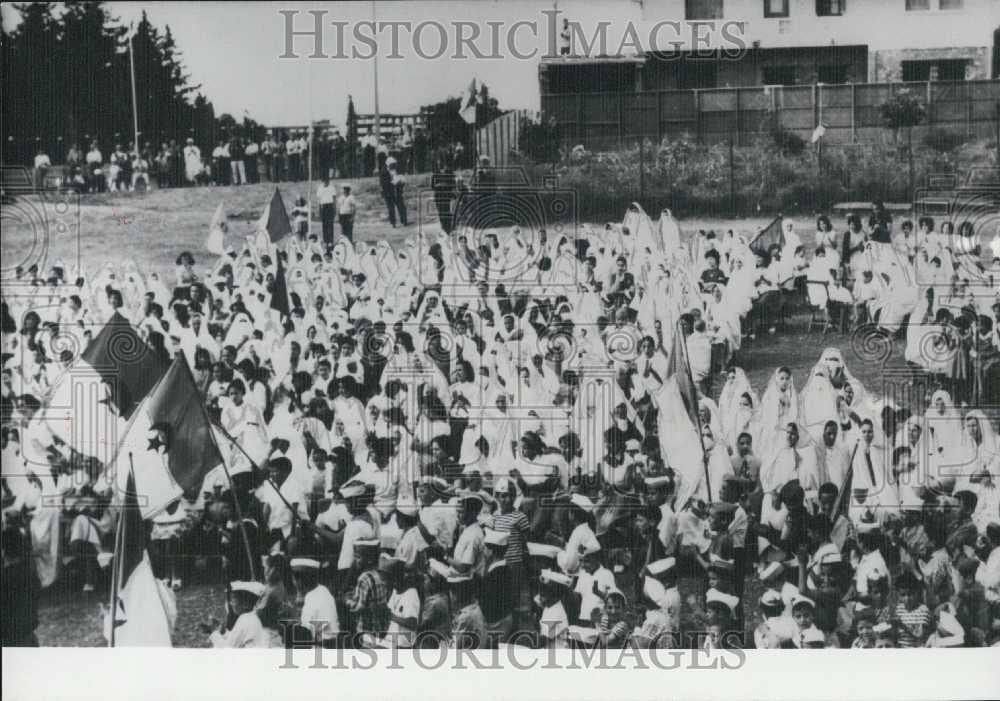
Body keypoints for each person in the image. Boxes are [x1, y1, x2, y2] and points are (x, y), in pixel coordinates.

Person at [317, 176, 337, 247]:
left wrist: (334, 209)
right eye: (324, 180)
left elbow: (334, 199)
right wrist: (319, 210)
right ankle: (325, 241)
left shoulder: (332, 187)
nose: (325, 181)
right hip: (323, 207)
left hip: (330, 206)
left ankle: (330, 241)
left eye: (327, 180)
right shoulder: (320, 188)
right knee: (324, 225)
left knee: (330, 224)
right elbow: (319, 201)